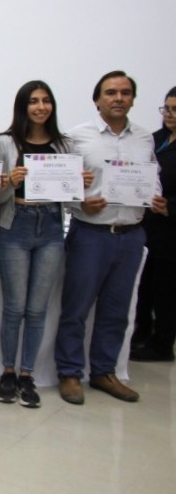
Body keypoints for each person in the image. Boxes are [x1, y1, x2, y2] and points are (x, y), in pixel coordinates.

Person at [56, 71, 166, 404]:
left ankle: (104, 371)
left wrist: (156, 197)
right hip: (91, 233)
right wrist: (79, 201)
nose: (118, 98)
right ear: (97, 99)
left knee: (117, 310)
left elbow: (152, 178)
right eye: (110, 92)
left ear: (133, 99)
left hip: (132, 235)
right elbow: (60, 183)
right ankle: (70, 373)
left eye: (125, 92)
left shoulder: (145, 138)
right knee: (76, 308)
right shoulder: (77, 137)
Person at [0, 81, 92, 408]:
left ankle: (27, 375)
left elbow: (71, 197)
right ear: (23, 106)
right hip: (16, 225)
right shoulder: (5, 142)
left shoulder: (65, 146)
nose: (40, 107)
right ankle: (7, 372)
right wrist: (11, 183)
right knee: (14, 307)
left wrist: (81, 185)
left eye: (46, 101)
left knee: (37, 310)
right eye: (33, 101)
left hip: (50, 227)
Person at [130, 87, 176, 362]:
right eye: (167, 108)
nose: (170, 115)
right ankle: (140, 333)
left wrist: (171, 207)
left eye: (175, 110)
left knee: (167, 289)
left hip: (172, 230)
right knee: (144, 284)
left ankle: (162, 343)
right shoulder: (153, 140)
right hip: (147, 226)